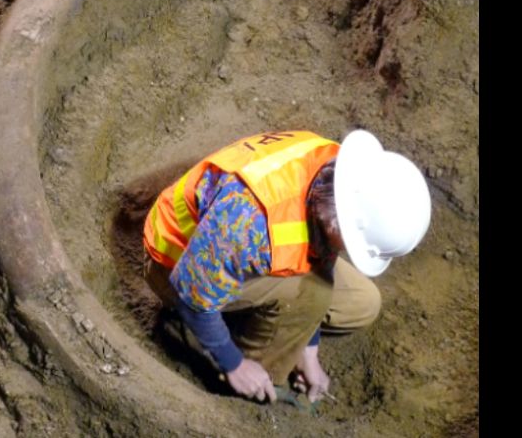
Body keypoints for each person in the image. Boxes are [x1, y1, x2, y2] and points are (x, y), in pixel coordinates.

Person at [142, 129, 431, 403]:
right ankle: (253, 379)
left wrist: (308, 350)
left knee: (362, 303)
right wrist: (234, 364)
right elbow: (190, 293)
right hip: (175, 261)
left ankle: (262, 321)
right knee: (309, 293)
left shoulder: (342, 175)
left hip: (233, 244)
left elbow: (322, 255)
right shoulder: (246, 221)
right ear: (338, 223)